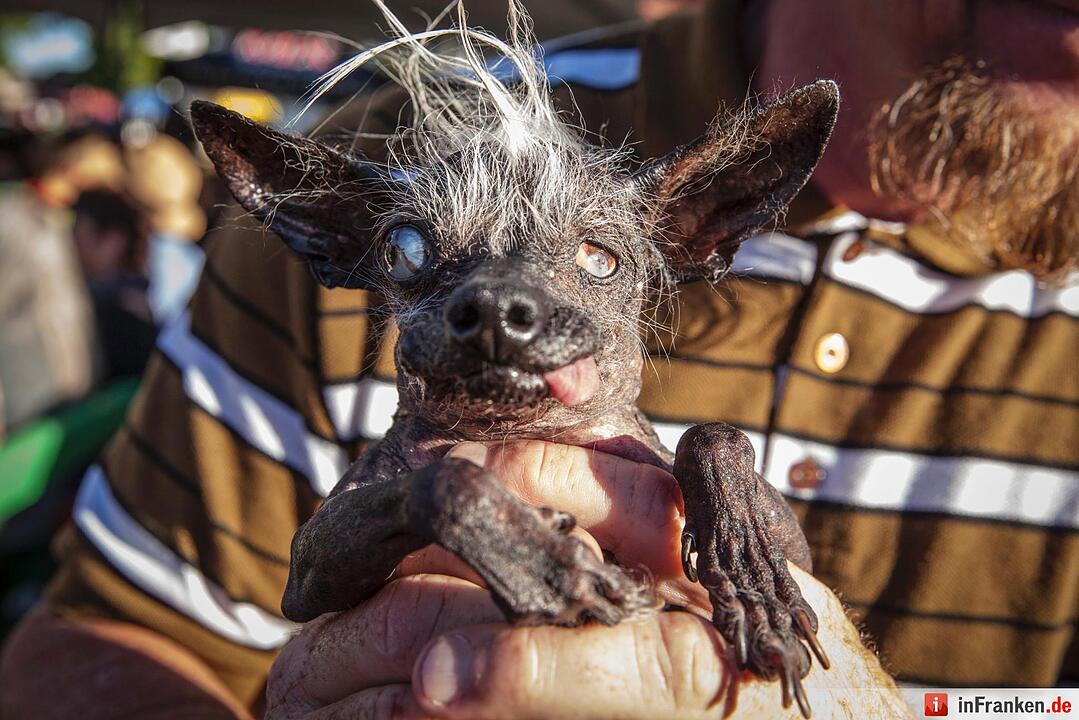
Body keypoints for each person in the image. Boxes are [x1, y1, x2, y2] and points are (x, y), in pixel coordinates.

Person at [3, 0, 1078, 716]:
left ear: (704, 227)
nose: (497, 308)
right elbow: (120, 634)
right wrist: (437, 502)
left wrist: (872, 706)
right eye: (417, 256)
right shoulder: (387, 138)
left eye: (598, 257)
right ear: (334, 244)